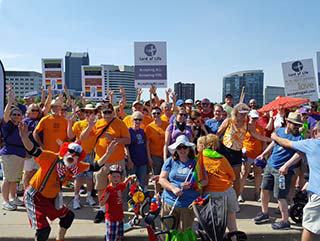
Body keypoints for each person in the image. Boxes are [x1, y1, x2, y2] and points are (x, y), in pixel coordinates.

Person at [19, 121, 117, 241]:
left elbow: (95, 166)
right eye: (70, 152)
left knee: (68, 216)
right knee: (43, 230)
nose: (73, 155)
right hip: (35, 196)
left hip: (52, 198)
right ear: (64, 151)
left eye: (76, 154)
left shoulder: (75, 166)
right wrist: (24, 138)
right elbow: (33, 150)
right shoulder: (51, 158)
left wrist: (108, 154)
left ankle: (60, 239)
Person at [80, 103, 130, 224]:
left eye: (109, 112)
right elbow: (83, 138)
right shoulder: (97, 123)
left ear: (113, 112)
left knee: (117, 187)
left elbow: (128, 139)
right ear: (101, 113)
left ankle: (116, 209)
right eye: (104, 112)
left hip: (117, 160)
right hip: (101, 161)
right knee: (101, 187)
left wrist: (114, 139)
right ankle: (102, 210)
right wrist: (89, 126)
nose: (107, 115)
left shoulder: (120, 123)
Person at [253, 112, 303, 230]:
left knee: (280, 196)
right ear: (287, 122)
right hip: (270, 166)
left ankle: (285, 221)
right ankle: (265, 213)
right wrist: (263, 154)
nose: (296, 126)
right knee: (264, 189)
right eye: (294, 124)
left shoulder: (299, 137)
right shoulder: (280, 131)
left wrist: (286, 165)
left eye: (298, 124)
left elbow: (299, 154)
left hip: (283, 172)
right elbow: (273, 144)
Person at [271, 121, 320, 241]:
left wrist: (274, 136)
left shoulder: (312, 143)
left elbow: (287, 143)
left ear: (315, 132)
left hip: (318, 194)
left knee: (309, 226)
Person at [217, 103, 271, 197]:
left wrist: (272, 139)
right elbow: (217, 134)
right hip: (225, 151)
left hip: (237, 153)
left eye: (245, 113)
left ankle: (235, 199)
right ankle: (222, 197)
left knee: (236, 178)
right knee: (223, 176)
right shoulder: (228, 121)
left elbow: (257, 136)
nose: (243, 115)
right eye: (241, 113)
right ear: (236, 113)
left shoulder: (248, 126)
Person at [158, 135, 203, 231]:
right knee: (167, 232)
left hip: (188, 204)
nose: (182, 150)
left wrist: (192, 185)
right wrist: (173, 188)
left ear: (189, 148)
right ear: (175, 149)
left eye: (184, 147)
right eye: (179, 147)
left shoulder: (196, 163)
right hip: (170, 201)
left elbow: (205, 181)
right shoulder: (170, 161)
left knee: (183, 234)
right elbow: (162, 179)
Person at [200, 134, 238, 234]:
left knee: (214, 227)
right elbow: (233, 177)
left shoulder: (199, 159)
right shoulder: (222, 158)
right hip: (227, 192)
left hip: (211, 194)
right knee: (232, 225)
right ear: (216, 145)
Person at [0, 89, 26, 211]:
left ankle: (13, 197)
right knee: (8, 178)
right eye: (14, 114)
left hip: (20, 154)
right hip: (9, 154)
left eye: (18, 114)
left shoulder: (21, 125)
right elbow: (5, 114)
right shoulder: (8, 125)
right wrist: (10, 102)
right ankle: (5, 201)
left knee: (15, 178)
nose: (16, 116)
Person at [68, 104, 97, 209]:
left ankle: (89, 197)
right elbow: (71, 136)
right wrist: (69, 123)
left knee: (90, 178)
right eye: (87, 112)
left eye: (91, 112)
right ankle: (76, 198)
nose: (89, 114)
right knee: (79, 177)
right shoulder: (79, 124)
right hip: (79, 155)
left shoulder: (98, 124)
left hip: (91, 154)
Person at [100, 165, 136, 241]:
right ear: (109, 177)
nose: (116, 179)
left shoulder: (120, 186)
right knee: (111, 238)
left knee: (120, 236)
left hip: (120, 217)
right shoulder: (108, 189)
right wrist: (107, 195)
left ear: (120, 177)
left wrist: (129, 179)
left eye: (118, 177)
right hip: (111, 218)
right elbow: (102, 203)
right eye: (114, 177)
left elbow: (124, 184)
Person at [239, 110, 265, 202]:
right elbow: (239, 140)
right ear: (249, 117)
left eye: (256, 118)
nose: (254, 120)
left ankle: (257, 194)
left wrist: (263, 154)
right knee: (244, 173)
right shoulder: (244, 127)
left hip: (258, 155)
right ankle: (240, 194)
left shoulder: (260, 128)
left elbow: (263, 141)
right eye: (253, 118)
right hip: (247, 154)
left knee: (258, 174)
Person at [126, 111, 148, 191]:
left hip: (142, 160)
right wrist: (129, 160)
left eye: (140, 119)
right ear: (132, 120)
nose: (138, 121)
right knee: (132, 183)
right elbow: (126, 147)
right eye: (136, 119)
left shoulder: (142, 131)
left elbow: (145, 146)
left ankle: (140, 201)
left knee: (142, 183)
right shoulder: (129, 131)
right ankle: (131, 201)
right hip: (133, 161)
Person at [21, 104, 42, 189]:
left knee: (36, 172)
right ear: (28, 111)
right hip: (28, 151)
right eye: (33, 110)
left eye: (37, 110)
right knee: (27, 172)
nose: (35, 112)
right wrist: (25, 151)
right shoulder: (24, 122)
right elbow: (21, 137)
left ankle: (33, 191)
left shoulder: (41, 120)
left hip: (39, 150)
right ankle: (26, 191)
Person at [146, 107, 169, 176]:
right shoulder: (149, 127)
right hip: (155, 156)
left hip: (166, 154)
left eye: (158, 113)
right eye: (154, 113)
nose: (156, 115)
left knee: (166, 175)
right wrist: (149, 158)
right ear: (151, 115)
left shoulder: (166, 125)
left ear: (161, 114)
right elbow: (147, 144)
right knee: (156, 176)